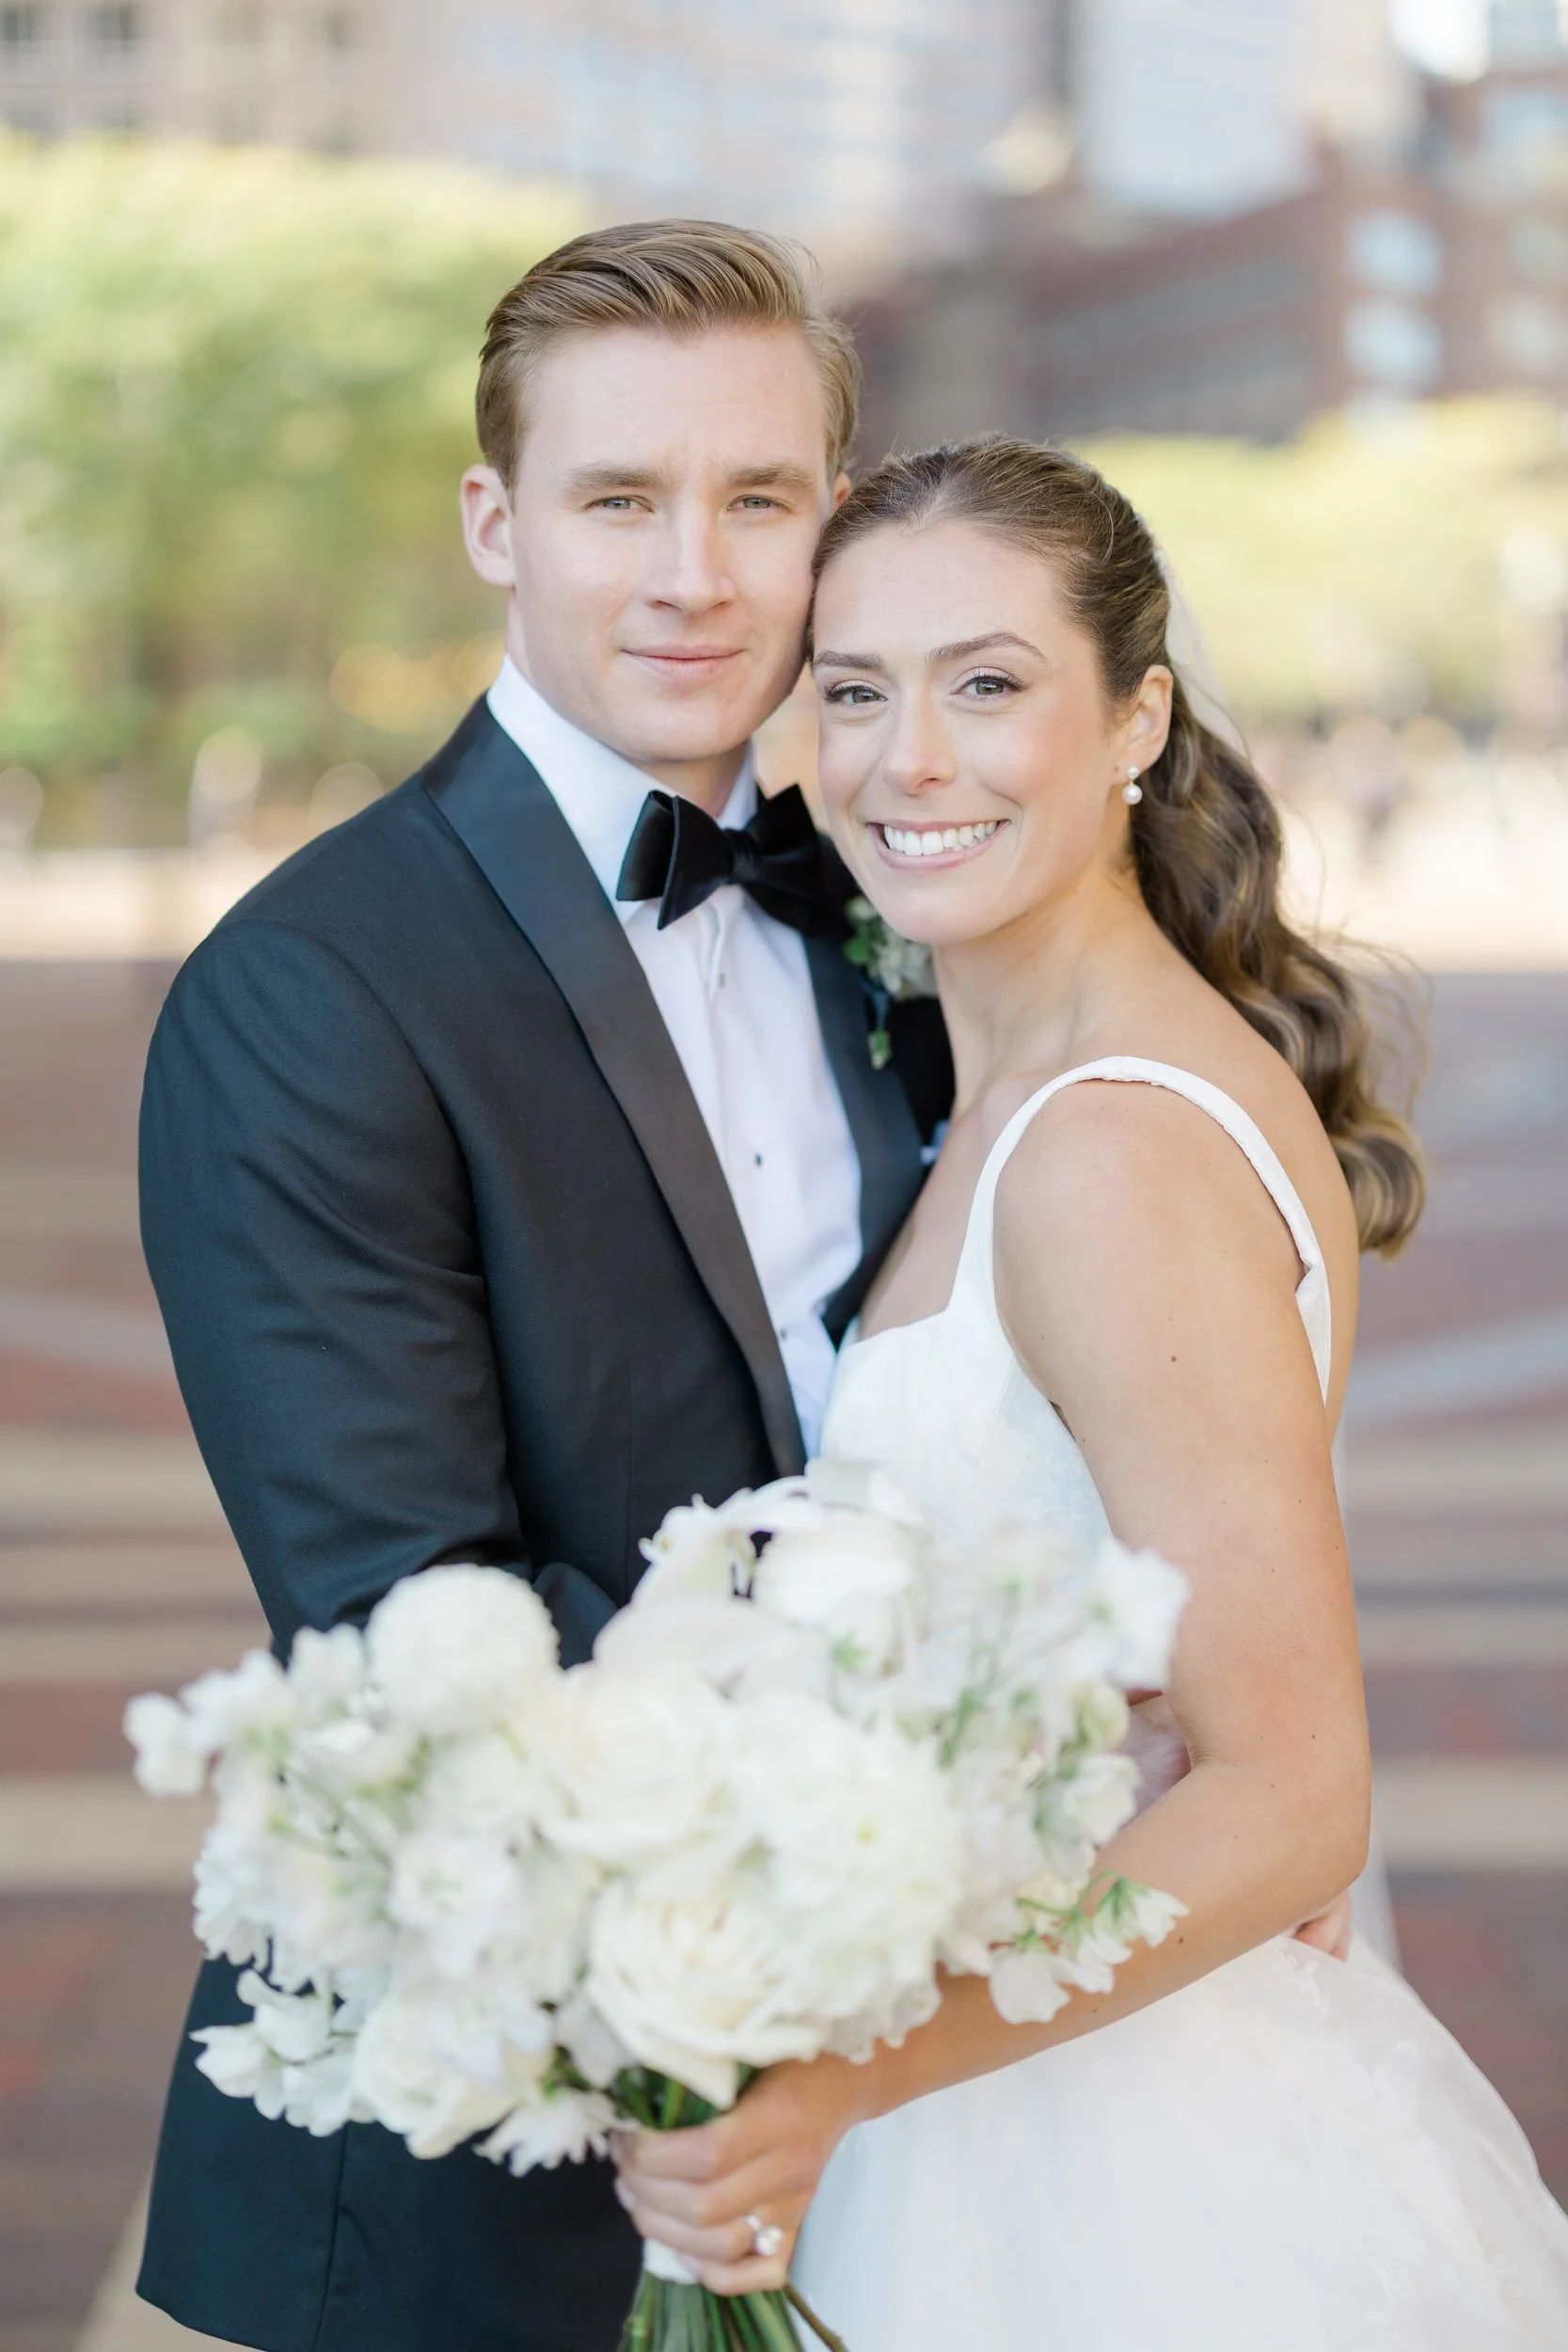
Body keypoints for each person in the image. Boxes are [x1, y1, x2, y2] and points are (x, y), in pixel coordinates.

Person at [611, 439, 1568, 2346]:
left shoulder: (1103, 1151)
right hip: (1027, 2072)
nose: (906, 760)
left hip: (1099, 2157)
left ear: (1135, 716)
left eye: (985, 684)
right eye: (855, 689)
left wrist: (846, 2082)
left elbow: (1292, 1790)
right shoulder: (1013, 1093)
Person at [133, 221, 951, 2352]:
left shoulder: (889, 907)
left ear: (830, 525)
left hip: (891, 2104)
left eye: (755, 496)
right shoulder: (311, 990)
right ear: (495, 522)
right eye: (617, 498)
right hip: (487, 2159)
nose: (692, 570)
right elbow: (420, 1621)